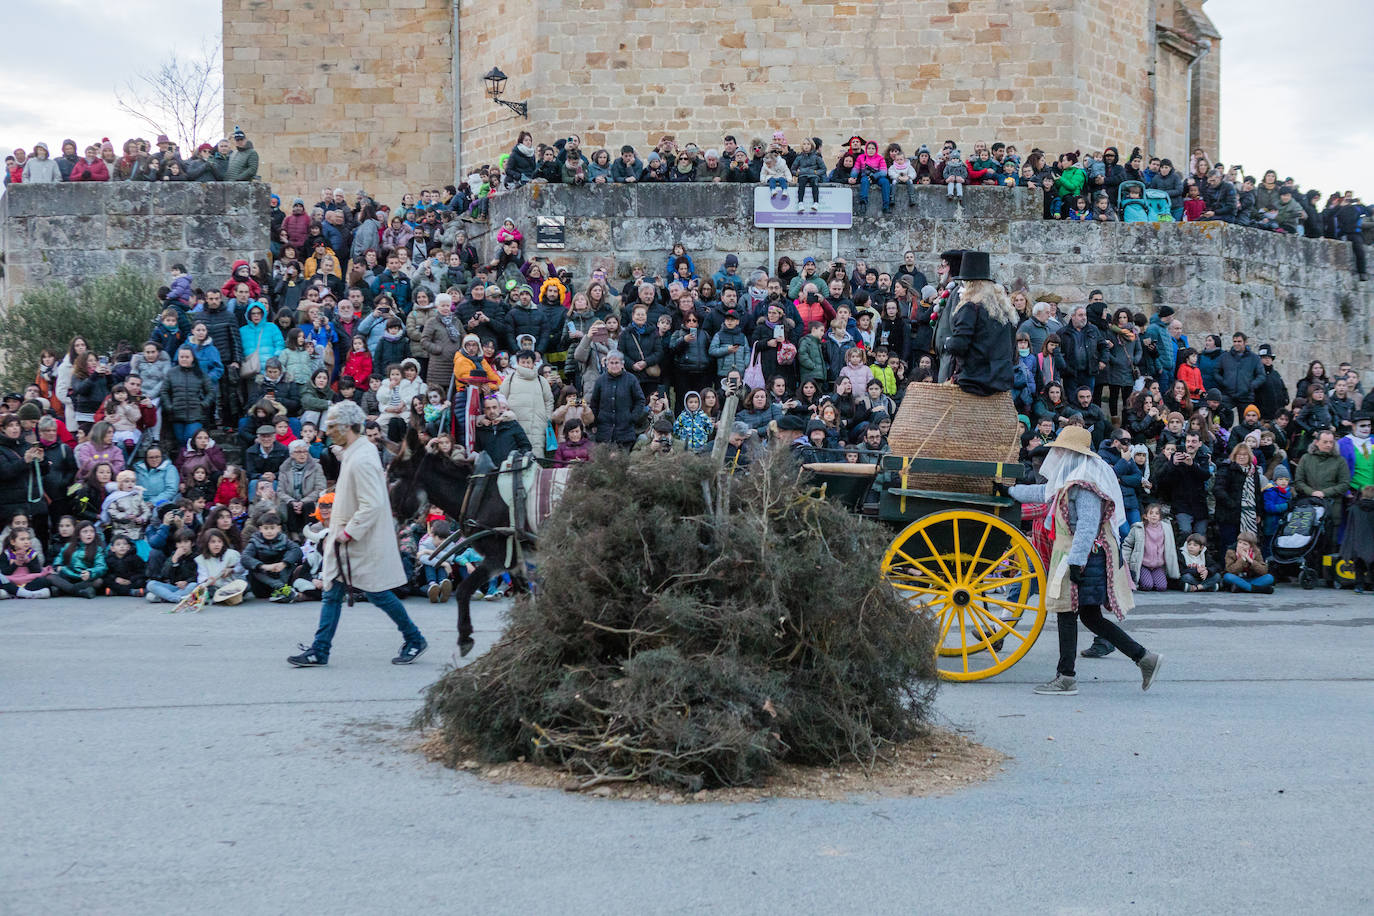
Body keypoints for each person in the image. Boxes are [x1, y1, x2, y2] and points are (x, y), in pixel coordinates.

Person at [1002, 426, 1162, 695]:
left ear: (1071, 452)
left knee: (1067, 612)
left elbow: (1088, 525)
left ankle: (1066, 677)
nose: (1058, 454)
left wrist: (1077, 563)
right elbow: (1044, 495)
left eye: (1062, 449)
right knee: (1090, 617)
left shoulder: (1085, 482)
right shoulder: (1073, 476)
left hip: (1084, 555)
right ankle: (1144, 658)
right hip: (1082, 553)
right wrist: (1009, 491)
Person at [288, 401, 427, 667]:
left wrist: (347, 533)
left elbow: (372, 504)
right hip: (351, 542)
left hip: (359, 541)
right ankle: (320, 649)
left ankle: (414, 638)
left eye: (331, 426)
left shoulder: (362, 458)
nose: (327, 431)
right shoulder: (356, 451)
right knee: (332, 592)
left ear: (347, 426)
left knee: (376, 593)